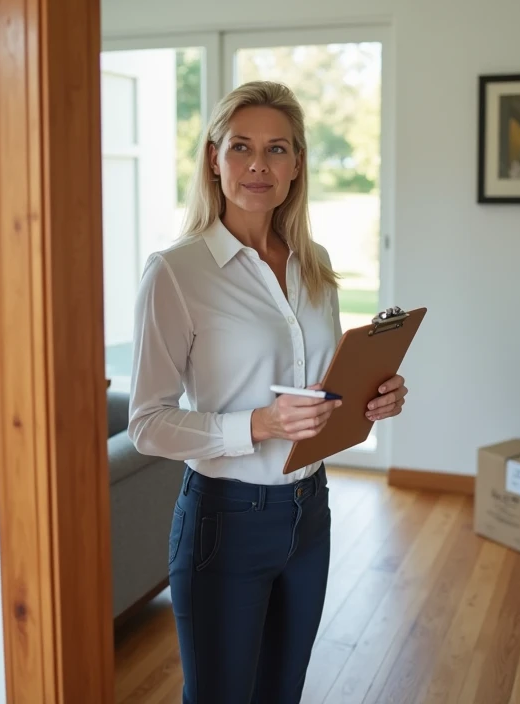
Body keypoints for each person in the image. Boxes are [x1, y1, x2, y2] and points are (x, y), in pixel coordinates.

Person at [127, 80, 409, 704]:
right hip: (224, 521)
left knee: (282, 693)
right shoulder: (176, 272)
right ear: (213, 158)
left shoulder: (316, 267)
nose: (258, 164)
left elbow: (325, 390)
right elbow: (147, 423)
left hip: (310, 512)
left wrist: (373, 395)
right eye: (241, 147)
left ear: (297, 164)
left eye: (277, 149)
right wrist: (259, 424)